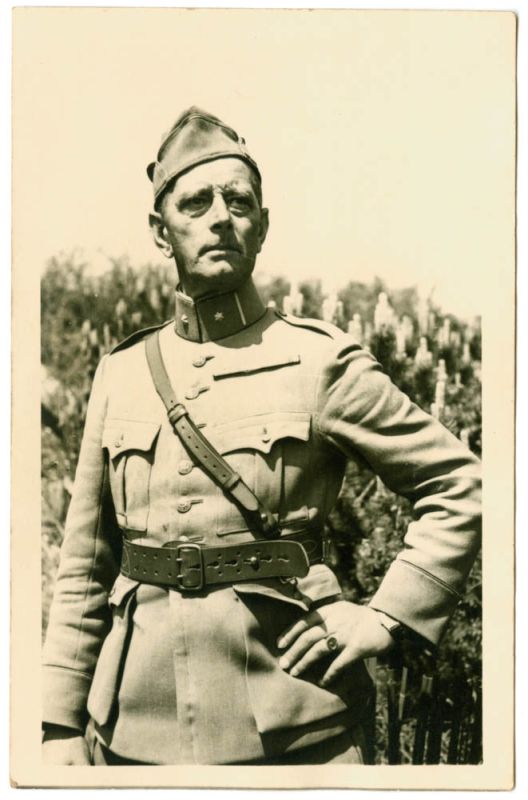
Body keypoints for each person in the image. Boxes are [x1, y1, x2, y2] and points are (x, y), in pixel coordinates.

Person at [42, 107, 481, 766]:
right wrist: (57, 724)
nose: (221, 217)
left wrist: (385, 616)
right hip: (132, 730)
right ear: (161, 232)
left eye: (239, 201)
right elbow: (85, 564)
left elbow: (459, 483)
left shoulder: (317, 362)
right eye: (197, 202)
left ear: (263, 226)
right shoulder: (122, 373)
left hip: (296, 731)